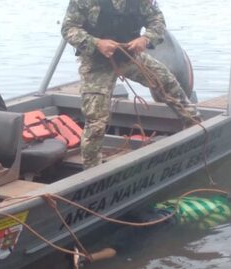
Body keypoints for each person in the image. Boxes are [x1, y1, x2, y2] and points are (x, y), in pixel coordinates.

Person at [61, 0, 200, 169]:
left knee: (168, 83)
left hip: (131, 56)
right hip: (97, 63)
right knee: (96, 120)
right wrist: (96, 43)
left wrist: (145, 39)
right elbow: (69, 28)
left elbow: (157, 20)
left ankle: (196, 129)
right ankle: (91, 171)